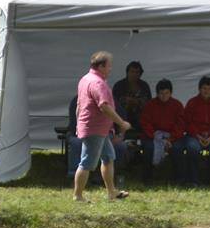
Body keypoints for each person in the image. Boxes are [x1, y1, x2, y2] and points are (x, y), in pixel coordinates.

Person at [72, 51, 132, 202]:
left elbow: (79, 105)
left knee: (108, 157)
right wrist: (121, 123)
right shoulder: (97, 83)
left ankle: (112, 192)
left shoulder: (85, 79)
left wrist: (79, 124)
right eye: (109, 66)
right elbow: (104, 106)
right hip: (95, 129)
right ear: (101, 66)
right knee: (86, 163)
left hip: (98, 129)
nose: (111, 68)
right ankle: (78, 196)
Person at [180, 76, 210, 186]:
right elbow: (187, 122)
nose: (206, 91)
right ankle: (193, 180)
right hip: (195, 135)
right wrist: (197, 135)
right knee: (192, 148)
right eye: (204, 88)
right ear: (199, 89)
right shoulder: (192, 102)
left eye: (209, 88)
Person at [139, 79, 186, 183]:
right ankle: (148, 178)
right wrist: (155, 137)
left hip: (172, 136)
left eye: (166, 93)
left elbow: (181, 124)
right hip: (153, 135)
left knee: (177, 148)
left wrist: (171, 138)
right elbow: (145, 122)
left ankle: (179, 178)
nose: (164, 96)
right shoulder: (150, 105)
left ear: (171, 93)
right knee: (149, 148)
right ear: (157, 93)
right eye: (161, 93)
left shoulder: (177, 105)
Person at [111, 60, 151, 128]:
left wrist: (137, 102)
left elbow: (149, 103)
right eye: (132, 71)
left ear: (140, 74)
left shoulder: (144, 86)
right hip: (122, 118)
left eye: (137, 72)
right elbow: (114, 103)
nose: (134, 74)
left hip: (141, 119)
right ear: (127, 72)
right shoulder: (119, 85)